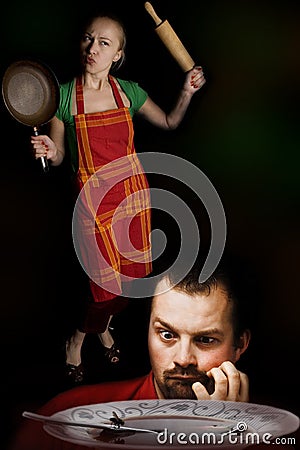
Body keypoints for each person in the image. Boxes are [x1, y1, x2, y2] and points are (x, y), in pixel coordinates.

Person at [31, 10, 206, 384]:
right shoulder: (63, 97)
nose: (92, 48)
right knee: (102, 286)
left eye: (104, 43)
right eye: (88, 39)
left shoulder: (129, 91)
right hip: (93, 205)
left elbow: (171, 122)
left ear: (118, 55)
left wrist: (186, 92)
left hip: (132, 199)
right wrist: (48, 147)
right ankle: (77, 339)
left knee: (134, 279)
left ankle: (103, 327)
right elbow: (61, 156)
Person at [9, 256, 261, 450]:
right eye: (167, 334)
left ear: (240, 345)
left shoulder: (280, 439)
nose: (183, 358)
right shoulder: (66, 419)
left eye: (205, 340)